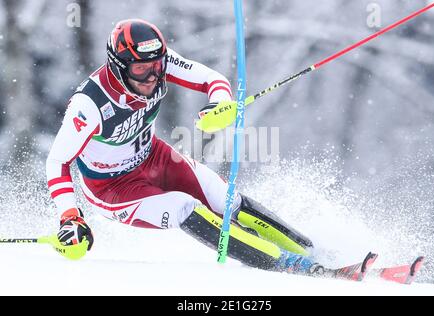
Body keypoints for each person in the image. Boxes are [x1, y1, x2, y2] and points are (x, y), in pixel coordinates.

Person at [47, 19, 323, 275]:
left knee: (225, 199)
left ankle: (312, 252)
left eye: (156, 67)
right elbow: (57, 162)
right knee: (185, 208)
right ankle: (286, 265)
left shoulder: (157, 63)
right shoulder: (89, 105)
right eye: (140, 70)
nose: (152, 77)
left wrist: (220, 103)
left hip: (155, 157)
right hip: (112, 188)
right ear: (119, 66)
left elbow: (210, 78)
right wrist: (70, 215)